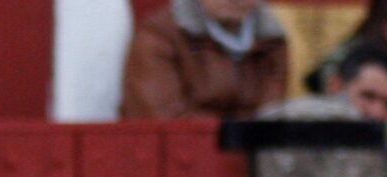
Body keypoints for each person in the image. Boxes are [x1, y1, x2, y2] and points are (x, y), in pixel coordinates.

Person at [121, 0, 289, 119]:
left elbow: (268, 117)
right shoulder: (159, 37)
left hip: (251, 152)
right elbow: (163, 120)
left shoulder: (271, 38)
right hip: (177, 151)